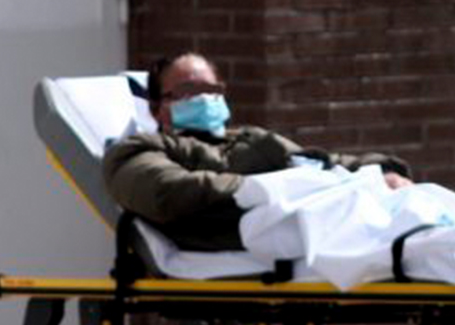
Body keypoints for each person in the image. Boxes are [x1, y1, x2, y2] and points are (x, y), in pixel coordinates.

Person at [103, 52, 414, 252]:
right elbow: (164, 193)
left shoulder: (255, 140)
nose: (203, 99)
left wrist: (384, 171)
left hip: (321, 223)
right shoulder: (138, 150)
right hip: (251, 239)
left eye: (210, 91)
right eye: (188, 92)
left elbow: (320, 164)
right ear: (158, 109)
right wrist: (261, 189)